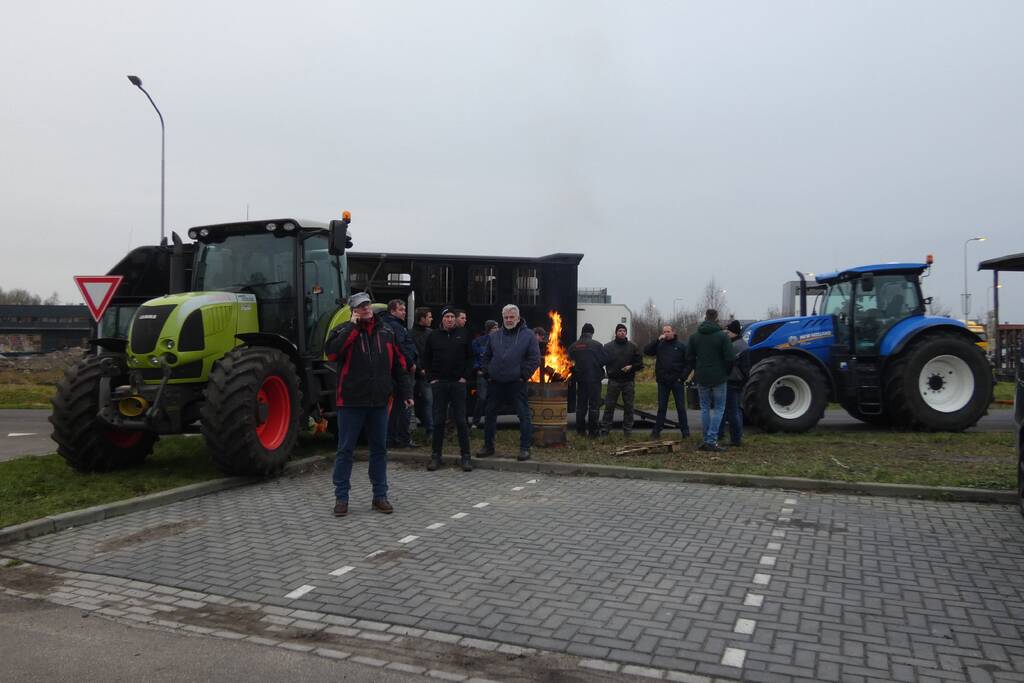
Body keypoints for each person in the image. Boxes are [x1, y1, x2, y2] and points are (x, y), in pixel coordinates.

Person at [326, 292, 414, 517]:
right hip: (351, 401)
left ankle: (380, 496)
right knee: (345, 450)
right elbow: (333, 354)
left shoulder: (387, 332)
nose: (365, 309)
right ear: (353, 311)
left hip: (379, 402)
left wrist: (406, 392)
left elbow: (399, 365)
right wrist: (352, 328)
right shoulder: (342, 331)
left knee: (379, 450)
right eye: (360, 307)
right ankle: (341, 498)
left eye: (367, 305)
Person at [479, 304, 541, 461]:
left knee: (524, 415)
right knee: (490, 415)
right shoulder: (494, 336)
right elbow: (486, 357)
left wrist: (523, 375)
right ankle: (488, 446)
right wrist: (487, 373)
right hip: (495, 383)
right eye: (506, 317)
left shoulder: (528, 336)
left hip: (516, 383)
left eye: (511, 317)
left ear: (518, 318)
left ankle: (525, 448)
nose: (508, 320)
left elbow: (534, 359)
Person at [422, 307, 474, 472]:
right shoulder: (433, 336)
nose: (450, 319)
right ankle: (436, 456)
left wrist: (465, 377)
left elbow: (471, 357)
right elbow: (426, 358)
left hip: (458, 384)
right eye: (447, 317)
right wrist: (432, 378)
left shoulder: (464, 334)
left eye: (452, 316)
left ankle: (466, 456)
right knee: (438, 421)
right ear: (442, 319)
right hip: (440, 384)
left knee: (460, 421)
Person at [686, 309, 735, 452]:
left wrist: (698, 368)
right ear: (716, 318)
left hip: (701, 376)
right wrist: (726, 372)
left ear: (705, 317)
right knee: (719, 408)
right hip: (719, 377)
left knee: (705, 408)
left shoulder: (694, 337)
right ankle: (712, 440)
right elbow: (730, 358)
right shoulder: (722, 336)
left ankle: (705, 438)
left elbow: (689, 357)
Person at [379, 299, 419, 449]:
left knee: (396, 407)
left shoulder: (390, 325)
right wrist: (411, 363)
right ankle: (402, 438)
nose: (404, 312)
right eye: (401, 310)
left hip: (397, 371)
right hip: (403, 371)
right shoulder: (395, 326)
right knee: (404, 405)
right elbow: (401, 348)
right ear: (392, 311)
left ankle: (393, 437)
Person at [644, 324, 691, 440]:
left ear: (673, 332)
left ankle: (685, 432)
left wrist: (682, 377)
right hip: (663, 381)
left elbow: (689, 363)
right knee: (662, 407)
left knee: (680, 407)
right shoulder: (659, 345)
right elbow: (647, 351)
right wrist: (656, 340)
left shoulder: (681, 346)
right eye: (664, 332)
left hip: (677, 381)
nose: (666, 334)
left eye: (668, 331)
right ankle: (656, 432)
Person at [601, 323, 643, 436]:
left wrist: (631, 367)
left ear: (626, 333)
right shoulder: (607, 347)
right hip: (613, 381)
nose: (622, 332)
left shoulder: (633, 346)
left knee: (629, 407)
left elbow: (640, 364)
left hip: (628, 381)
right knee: (609, 407)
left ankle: (628, 431)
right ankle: (605, 430)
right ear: (616, 333)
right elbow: (601, 362)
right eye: (619, 330)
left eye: (624, 331)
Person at [568, 323, 607, 437]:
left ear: (582, 332)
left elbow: (567, 363)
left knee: (581, 406)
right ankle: (593, 432)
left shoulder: (573, 346)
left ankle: (580, 432)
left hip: (580, 380)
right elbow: (604, 360)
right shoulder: (597, 345)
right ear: (592, 333)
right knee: (594, 406)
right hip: (594, 380)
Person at [720, 320, 750, 447]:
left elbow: (727, 362)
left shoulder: (734, 346)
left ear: (733, 332)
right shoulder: (743, 344)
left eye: (727, 332)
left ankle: (735, 438)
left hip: (732, 380)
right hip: (740, 380)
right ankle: (737, 435)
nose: (726, 334)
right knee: (736, 409)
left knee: (732, 411)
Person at [410, 307, 434, 440]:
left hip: (426, 375)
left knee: (428, 401)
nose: (431, 319)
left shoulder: (431, 333)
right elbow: (412, 353)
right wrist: (420, 368)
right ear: (422, 319)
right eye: (429, 317)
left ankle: (430, 429)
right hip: (414, 373)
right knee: (415, 403)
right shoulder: (410, 334)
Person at [471, 320, 498, 428]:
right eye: (494, 328)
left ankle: (490, 423)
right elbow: (474, 357)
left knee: (494, 400)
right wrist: (477, 368)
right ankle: (475, 422)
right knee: (482, 398)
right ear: (489, 330)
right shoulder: (478, 342)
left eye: (497, 327)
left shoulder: (501, 341)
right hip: (482, 374)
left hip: (495, 374)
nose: (497, 330)